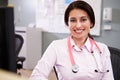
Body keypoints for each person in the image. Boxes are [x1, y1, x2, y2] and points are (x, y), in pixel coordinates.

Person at [29, 0, 114, 80]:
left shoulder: (102, 49)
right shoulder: (56, 47)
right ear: (67, 23)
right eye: (73, 20)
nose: (78, 25)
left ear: (91, 22)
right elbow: (36, 76)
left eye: (83, 20)